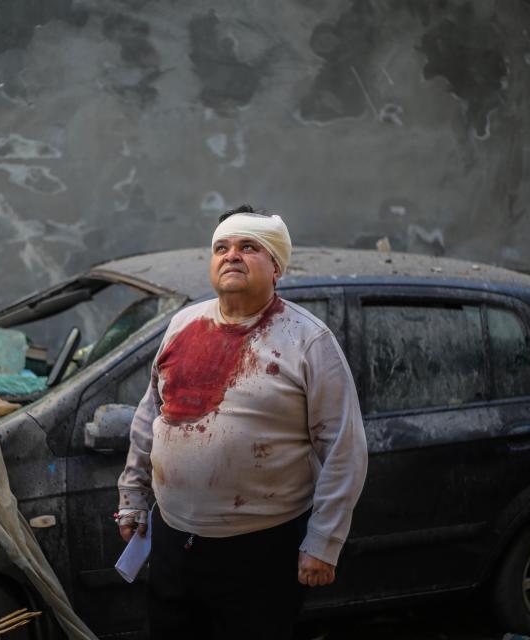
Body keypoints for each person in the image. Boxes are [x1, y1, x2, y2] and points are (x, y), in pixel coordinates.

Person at [116, 205, 368, 639]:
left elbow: (344, 448)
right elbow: (149, 417)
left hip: (261, 549)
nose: (231, 255)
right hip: (174, 539)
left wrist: (323, 543)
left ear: (276, 268)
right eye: (222, 247)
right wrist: (133, 496)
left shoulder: (308, 341)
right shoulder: (181, 325)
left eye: (248, 247)